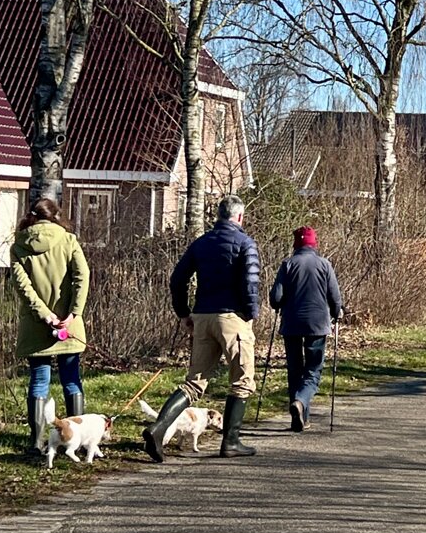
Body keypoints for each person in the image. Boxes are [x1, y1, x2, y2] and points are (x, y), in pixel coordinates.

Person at [147, 195, 260, 461]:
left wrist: (183, 312)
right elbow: (250, 282)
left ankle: (159, 428)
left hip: (202, 316)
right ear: (240, 217)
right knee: (242, 381)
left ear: (218, 216)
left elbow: (178, 279)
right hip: (232, 317)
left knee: (194, 383)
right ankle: (231, 442)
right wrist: (251, 313)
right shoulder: (245, 243)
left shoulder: (201, 243)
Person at [8, 195, 89, 461]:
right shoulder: (68, 240)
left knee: (39, 380)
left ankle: (36, 441)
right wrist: (73, 312)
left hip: (36, 325)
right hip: (69, 324)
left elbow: (23, 287)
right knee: (71, 379)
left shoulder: (18, 246)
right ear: (55, 216)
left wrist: (45, 316)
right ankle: (76, 440)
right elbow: (82, 276)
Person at [267, 225, 344, 431]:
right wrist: (337, 311)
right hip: (317, 324)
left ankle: (299, 418)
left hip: (291, 323)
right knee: (312, 370)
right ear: (314, 244)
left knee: (295, 370)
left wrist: (279, 304)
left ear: (296, 244)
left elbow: (276, 298)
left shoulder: (288, 264)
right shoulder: (324, 264)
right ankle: (300, 402)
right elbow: (335, 296)